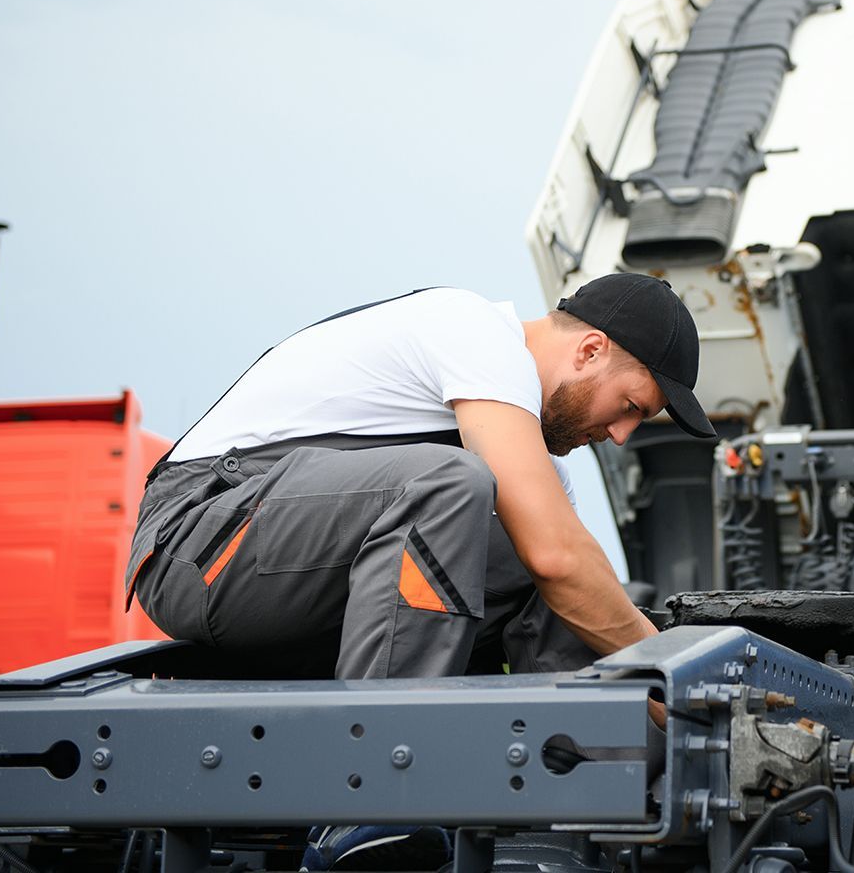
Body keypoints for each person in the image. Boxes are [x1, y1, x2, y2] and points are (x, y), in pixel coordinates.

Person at [122, 274, 715, 869]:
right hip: (197, 542)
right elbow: (555, 556)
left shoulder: (522, 447)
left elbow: (573, 577)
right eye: (630, 407)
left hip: (295, 580)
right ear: (590, 351)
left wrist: (690, 733)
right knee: (464, 493)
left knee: (552, 567)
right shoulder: (474, 331)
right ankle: (371, 795)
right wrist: (679, 679)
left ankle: (588, 802)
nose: (619, 435)